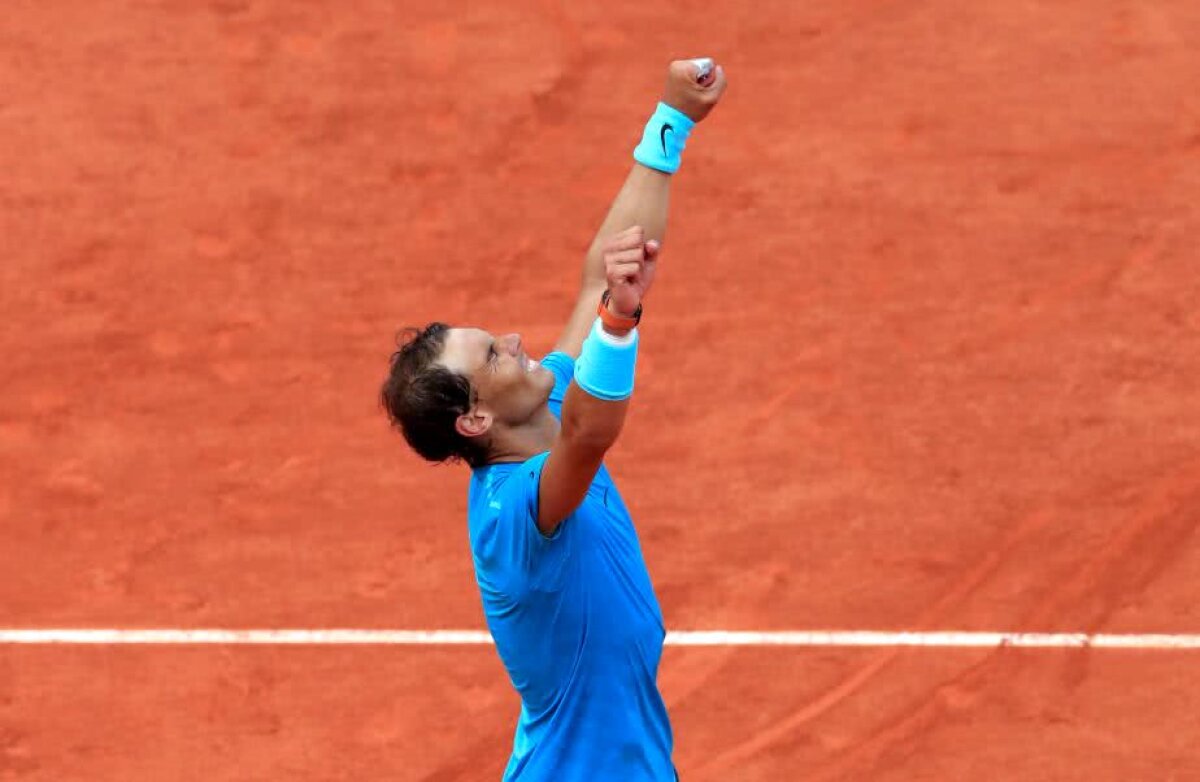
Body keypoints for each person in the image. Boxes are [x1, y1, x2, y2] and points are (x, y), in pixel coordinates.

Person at [381, 57, 727, 781]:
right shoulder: (514, 517)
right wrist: (620, 320)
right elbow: (591, 435)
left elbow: (601, 272)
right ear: (476, 421)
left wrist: (670, 125)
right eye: (493, 356)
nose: (514, 341)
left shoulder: (549, 403)